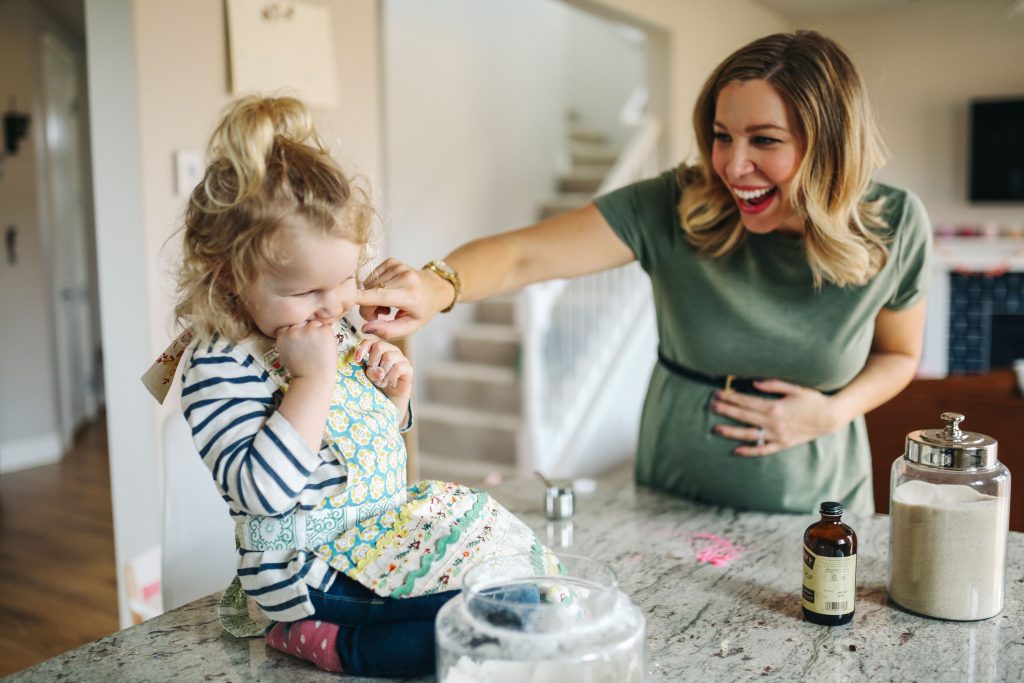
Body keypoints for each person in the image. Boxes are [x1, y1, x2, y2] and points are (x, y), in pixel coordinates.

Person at [356, 30, 932, 516]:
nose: (733, 165)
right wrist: (436, 286)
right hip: (670, 496)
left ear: (830, 144)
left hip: (818, 506)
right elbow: (522, 256)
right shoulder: (678, 203)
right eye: (722, 135)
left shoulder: (897, 225)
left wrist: (832, 411)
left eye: (765, 141)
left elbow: (899, 356)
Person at [163, 95, 553, 677]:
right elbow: (262, 494)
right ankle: (322, 640)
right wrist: (313, 378)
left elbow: (350, 449)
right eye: (307, 292)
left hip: (377, 534)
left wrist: (392, 398)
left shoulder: (326, 324)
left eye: (345, 279)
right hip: (307, 565)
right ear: (230, 274)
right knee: (488, 619)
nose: (334, 307)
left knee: (518, 584)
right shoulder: (220, 366)